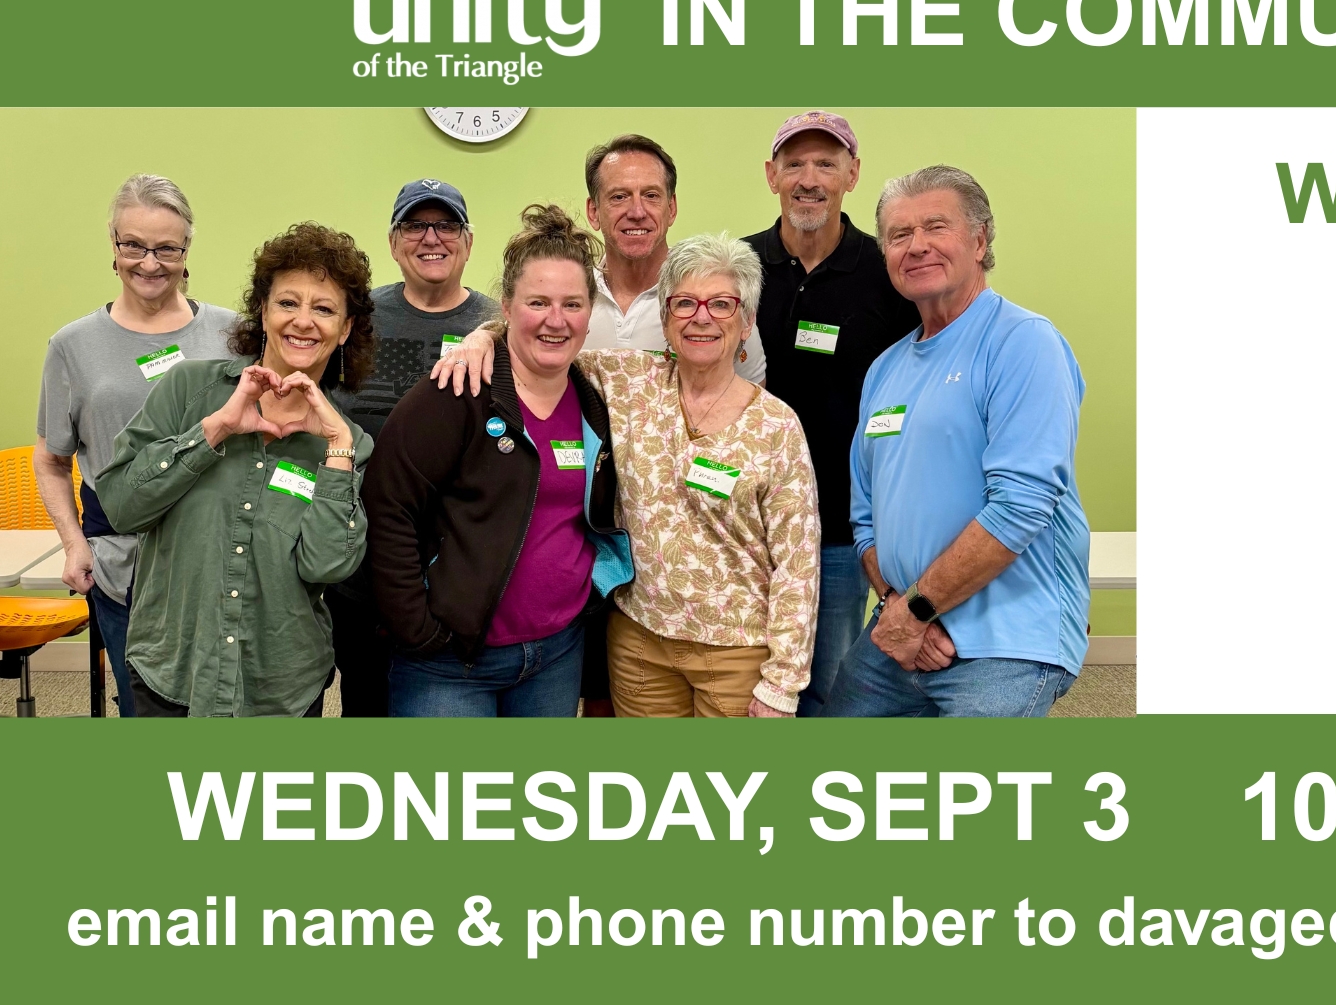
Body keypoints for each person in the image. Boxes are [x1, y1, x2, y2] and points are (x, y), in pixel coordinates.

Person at [437, 233, 819, 717]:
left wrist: (782, 683)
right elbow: (547, 336)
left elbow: (798, 564)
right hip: (640, 645)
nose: (701, 317)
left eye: (722, 304)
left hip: (736, 650)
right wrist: (481, 336)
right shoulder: (627, 381)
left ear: (746, 323)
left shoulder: (777, 425)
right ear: (665, 319)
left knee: (733, 791)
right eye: (684, 303)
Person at [824, 166, 1091, 718]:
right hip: (901, 634)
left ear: (979, 239)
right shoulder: (885, 369)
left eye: (935, 227)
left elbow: (1022, 505)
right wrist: (901, 611)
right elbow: (866, 513)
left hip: (1006, 643)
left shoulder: (1023, 343)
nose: (916, 246)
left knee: (966, 798)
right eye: (899, 235)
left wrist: (917, 609)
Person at [95, 222, 376, 717]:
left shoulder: (349, 442)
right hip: (173, 669)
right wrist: (217, 429)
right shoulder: (188, 390)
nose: (304, 321)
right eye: (288, 302)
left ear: (346, 328)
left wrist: (336, 449)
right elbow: (121, 506)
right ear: (263, 311)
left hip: (279, 685)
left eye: (325, 309)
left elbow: (327, 566)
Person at [365, 205, 632, 717]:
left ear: (589, 311)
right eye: (538, 302)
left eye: (572, 304)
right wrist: (418, 629)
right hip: (451, 663)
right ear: (506, 307)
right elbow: (388, 506)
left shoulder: (593, 400)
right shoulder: (457, 391)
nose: (556, 320)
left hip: (556, 653)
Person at [33, 174, 242, 717]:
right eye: (134, 245)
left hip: (221, 560)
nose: (150, 263)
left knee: (228, 712)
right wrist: (75, 545)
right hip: (124, 563)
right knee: (149, 715)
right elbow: (52, 460)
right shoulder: (73, 346)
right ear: (114, 246)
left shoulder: (232, 334)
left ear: (186, 251)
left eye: (166, 248)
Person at [745, 111, 920, 715]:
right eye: (794, 163)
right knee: (745, 681)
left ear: (853, 173)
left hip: (840, 527)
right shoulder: (739, 267)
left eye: (826, 163)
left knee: (826, 687)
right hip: (744, 524)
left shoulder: (889, 272)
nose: (809, 178)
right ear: (772, 175)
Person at [326, 179, 500, 717]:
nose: (432, 237)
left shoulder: (498, 324)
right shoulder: (354, 321)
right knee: (367, 703)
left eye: (446, 225)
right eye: (415, 225)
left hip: (453, 569)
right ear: (393, 240)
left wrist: (494, 330)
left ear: (468, 241)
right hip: (361, 565)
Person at [580, 133, 767, 380]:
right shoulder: (570, 298)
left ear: (671, 208)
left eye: (651, 195)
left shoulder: (716, 300)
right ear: (594, 212)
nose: (637, 212)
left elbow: (751, 399)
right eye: (619, 196)